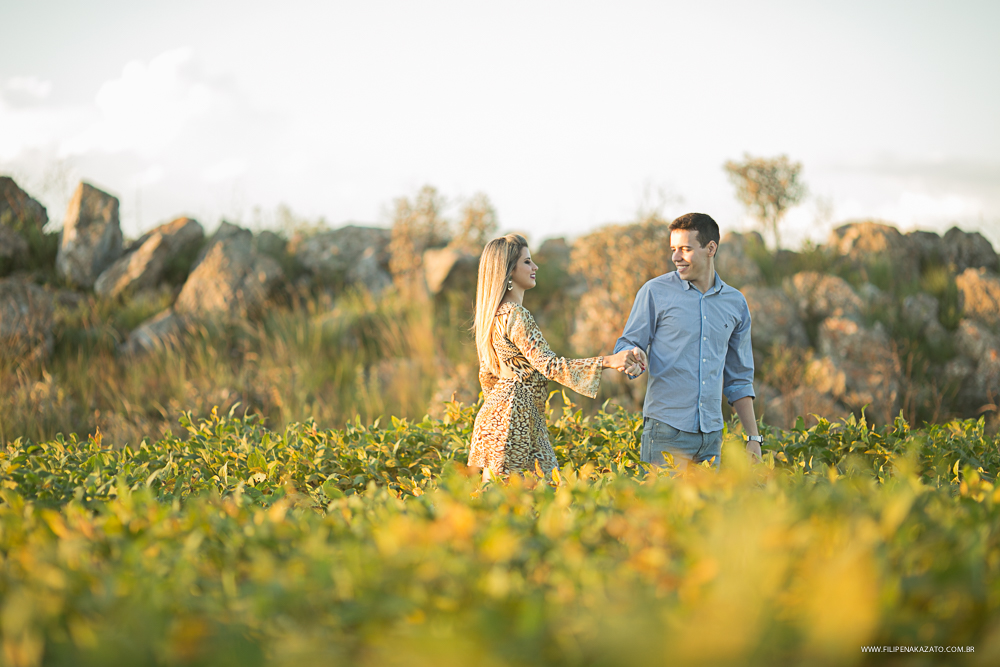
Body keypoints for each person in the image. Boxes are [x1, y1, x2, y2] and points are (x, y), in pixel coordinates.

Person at [468, 233, 644, 480]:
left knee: (508, 502)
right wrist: (608, 361)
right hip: (515, 421)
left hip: (499, 419)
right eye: (527, 262)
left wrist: (501, 411)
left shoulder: (493, 317)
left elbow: (486, 375)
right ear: (509, 271)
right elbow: (550, 366)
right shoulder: (517, 315)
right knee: (532, 500)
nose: (535, 267)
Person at [614, 213, 762, 470]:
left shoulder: (736, 303)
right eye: (673, 249)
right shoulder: (654, 292)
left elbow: (739, 379)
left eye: (685, 249)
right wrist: (632, 357)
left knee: (707, 511)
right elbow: (628, 343)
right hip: (666, 434)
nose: (675, 257)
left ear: (710, 249)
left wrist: (753, 437)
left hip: (712, 438)